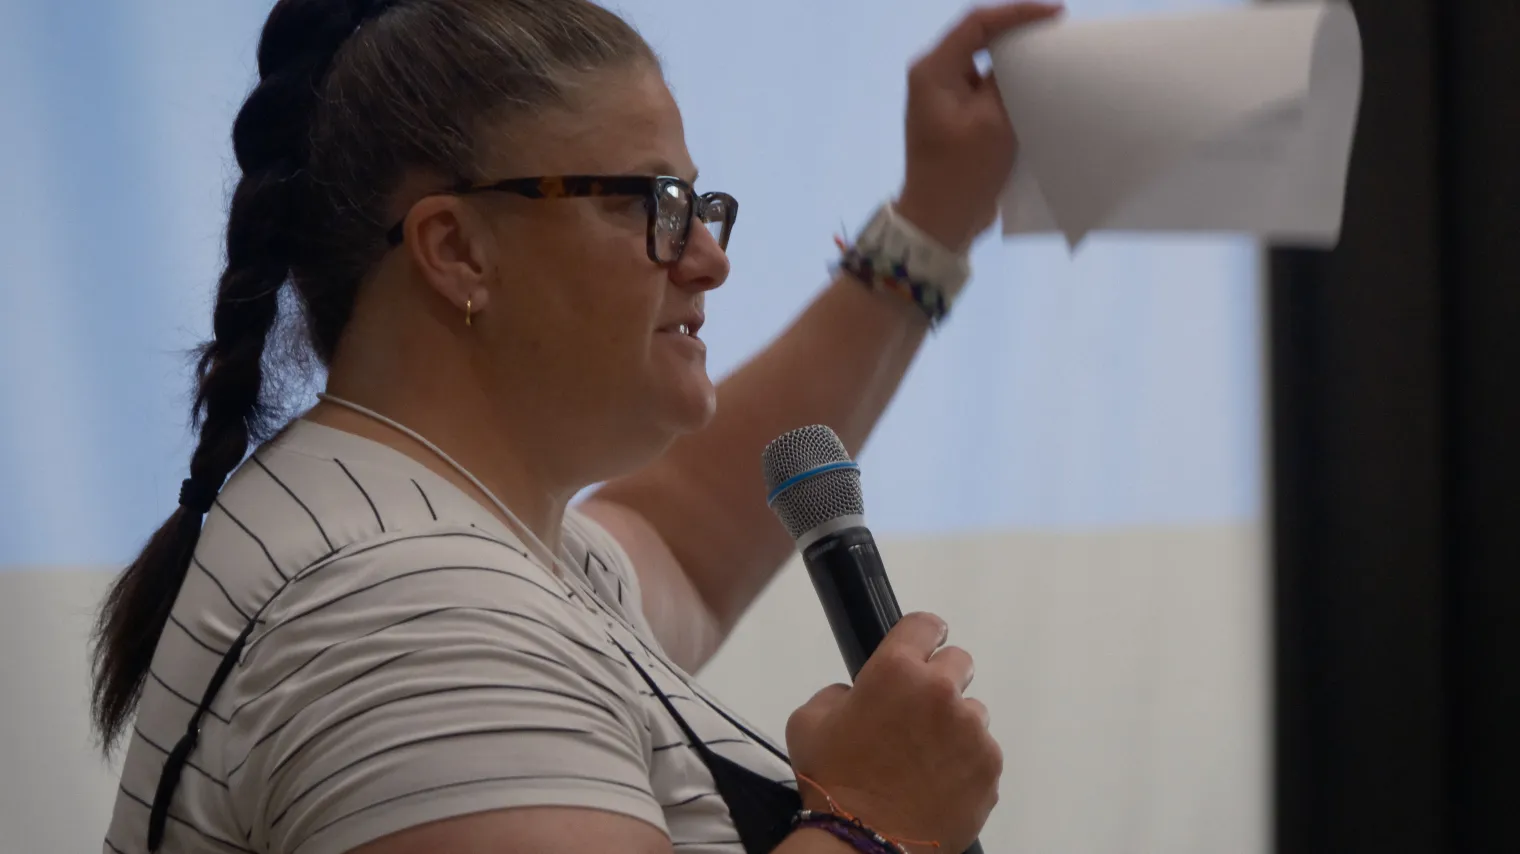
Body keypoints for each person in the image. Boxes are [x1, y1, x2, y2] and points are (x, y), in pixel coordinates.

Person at [90, 0, 1063, 852]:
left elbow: (685, 540)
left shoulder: (427, 526)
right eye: (652, 202)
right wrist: (874, 819)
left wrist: (928, 226)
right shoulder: (417, 620)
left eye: (699, 202)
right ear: (457, 249)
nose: (709, 259)